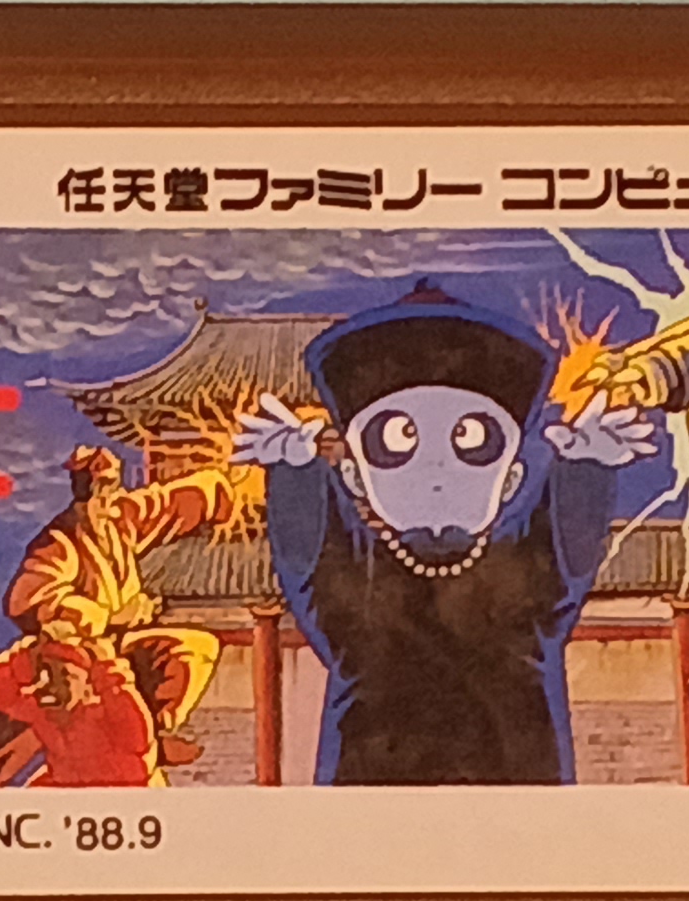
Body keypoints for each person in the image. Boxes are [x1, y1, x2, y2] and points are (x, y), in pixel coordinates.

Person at [232, 284, 662, 785]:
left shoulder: (523, 576)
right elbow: (310, 560)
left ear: (512, 479)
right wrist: (295, 474)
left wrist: (587, 468)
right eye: (397, 439)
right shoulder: (357, 582)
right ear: (354, 477)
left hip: (515, 795)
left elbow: (567, 553)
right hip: (374, 797)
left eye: (472, 439)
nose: (435, 468)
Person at [0, 443, 238, 785]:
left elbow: (163, 506)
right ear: (84, 496)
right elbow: (25, 600)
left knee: (193, 648)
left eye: (112, 490)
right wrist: (109, 616)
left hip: (115, 650)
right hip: (74, 659)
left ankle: (156, 731)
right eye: (101, 493)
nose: (110, 502)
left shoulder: (118, 519)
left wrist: (218, 493)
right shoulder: (59, 544)